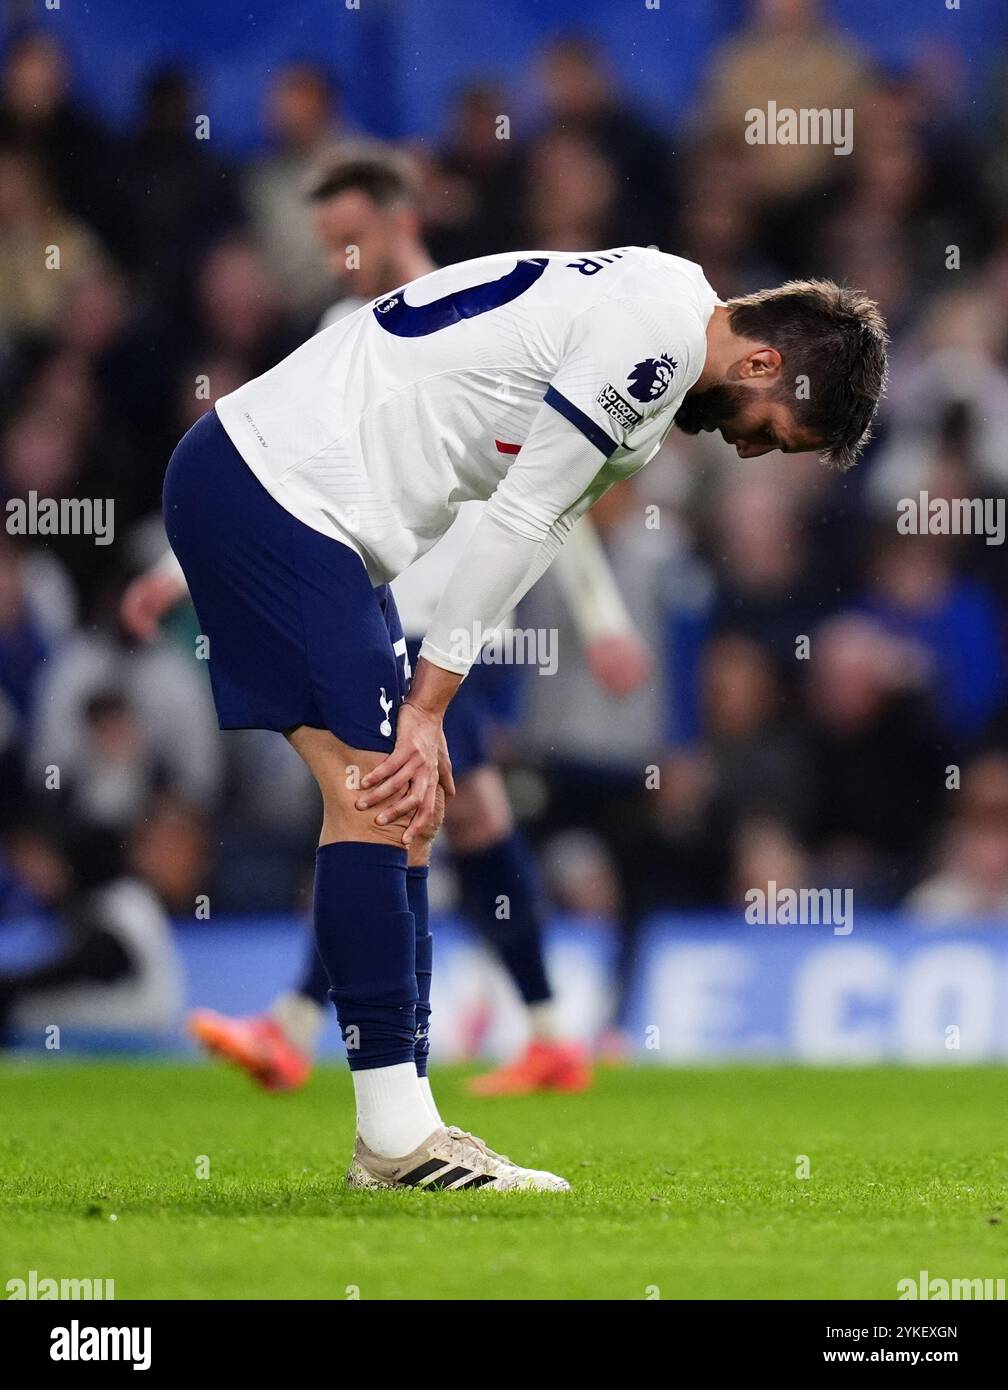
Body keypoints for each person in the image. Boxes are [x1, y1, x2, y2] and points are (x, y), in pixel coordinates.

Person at [158, 238, 887, 1191]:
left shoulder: (659, 318)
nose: (748, 448)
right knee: (378, 794)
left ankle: (404, 1126)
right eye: (768, 429)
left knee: (405, 811)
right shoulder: (656, 346)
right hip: (281, 494)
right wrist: (428, 705)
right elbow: (517, 519)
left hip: (312, 510)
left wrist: (431, 705)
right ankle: (397, 1143)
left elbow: (539, 524)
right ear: (761, 363)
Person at [127, 146, 651, 1097]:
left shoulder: (497, 320)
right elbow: (288, 466)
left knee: (400, 807)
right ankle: (525, 1033)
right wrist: (178, 572)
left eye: (355, 239)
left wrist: (603, 617)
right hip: (370, 597)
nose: (345, 263)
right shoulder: (349, 326)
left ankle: (350, 1038)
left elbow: (556, 489)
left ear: (403, 221)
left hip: (454, 624)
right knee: (432, 813)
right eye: (330, 247)